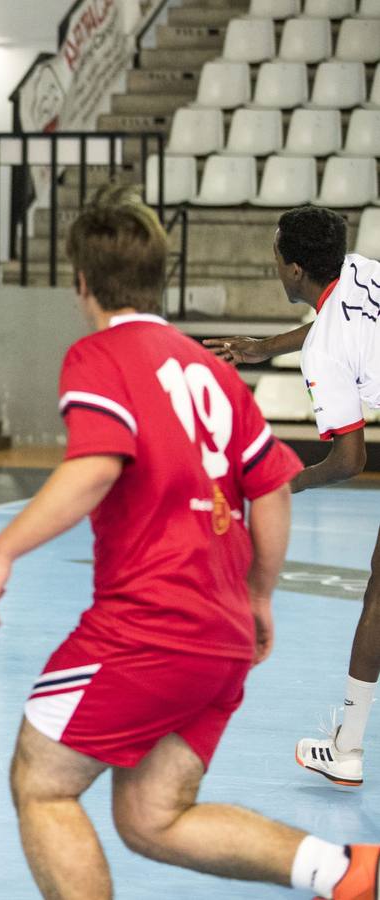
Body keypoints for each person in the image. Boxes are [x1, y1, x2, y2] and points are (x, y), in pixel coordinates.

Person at [0, 185, 378, 899]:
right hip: (220, 639)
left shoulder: (101, 357)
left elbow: (94, 467)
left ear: (82, 284)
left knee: (40, 782)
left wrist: (2, 549)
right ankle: (344, 874)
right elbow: (272, 488)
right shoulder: (212, 371)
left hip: (150, 628)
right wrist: (256, 599)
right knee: (149, 817)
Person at [206, 207, 380, 788]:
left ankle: (350, 751)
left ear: (297, 270)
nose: (273, 262)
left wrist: (283, 484)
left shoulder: (324, 354)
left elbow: (349, 460)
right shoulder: (358, 270)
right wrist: (265, 348)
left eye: (277, 255)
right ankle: (348, 747)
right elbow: (338, 325)